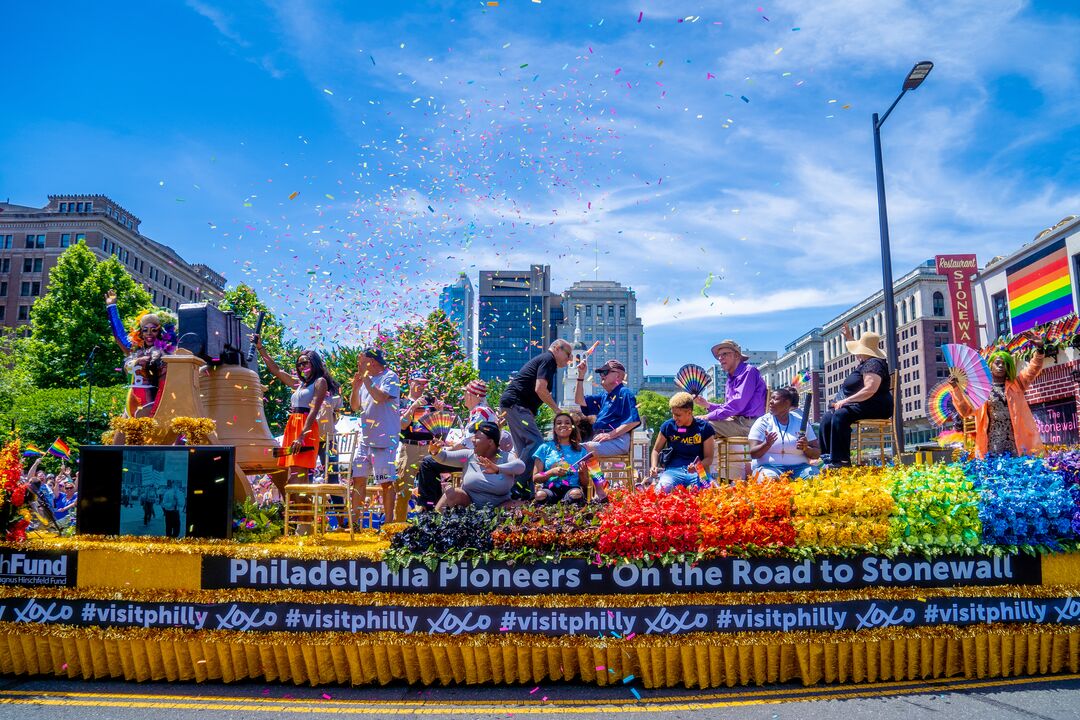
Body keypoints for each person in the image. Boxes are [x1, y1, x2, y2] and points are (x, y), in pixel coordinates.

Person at [414, 379, 511, 510]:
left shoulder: (480, 411)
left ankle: (428, 507)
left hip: (473, 458)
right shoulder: (483, 411)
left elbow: (467, 442)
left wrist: (445, 450)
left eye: (465, 393)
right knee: (431, 461)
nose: (464, 397)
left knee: (428, 462)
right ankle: (433, 504)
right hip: (477, 456)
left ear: (471, 395)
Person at [499, 339, 575, 499]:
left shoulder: (548, 362)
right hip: (517, 405)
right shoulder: (548, 360)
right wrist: (557, 410)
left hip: (514, 406)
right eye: (568, 354)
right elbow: (540, 388)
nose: (569, 360)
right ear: (556, 348)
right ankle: (517, 486)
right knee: (537, 443)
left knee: (526, 450)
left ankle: (525, 491)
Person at [951, 332, 1045, 458]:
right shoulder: (981, 390)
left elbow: (1033, 369)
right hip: (992, 442)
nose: (1001, 366)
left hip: (1017, 441)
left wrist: (1039, 350)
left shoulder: (1017, 384)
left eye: (1005, 364)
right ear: (990, 365)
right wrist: (956, 389)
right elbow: (965, 411)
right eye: (998, 363)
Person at [257, 341, 337, 484]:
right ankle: (302, 506)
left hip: (306, 428)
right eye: (299, 364)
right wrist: (260, 348)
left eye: (305, 363)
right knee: (295, 472)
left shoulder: (320, 382)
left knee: (297, 476)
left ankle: (297, 506)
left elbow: (314, 410)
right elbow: (276, 371)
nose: (301, 367)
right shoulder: (299, 384)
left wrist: (301, 436)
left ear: (314, 363)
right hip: (293, 425)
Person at [818, 324, 892, 468]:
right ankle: (827, 457)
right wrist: (849, 337)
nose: (857, 353)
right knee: (828, 417)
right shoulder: (865, 362)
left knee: (841, 414)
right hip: (862, 404)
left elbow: (870, 389)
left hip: (876, 405)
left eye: (860, 349)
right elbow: (858, 353)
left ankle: (842, 461)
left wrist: (846, 400)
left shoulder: (874, 364)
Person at [349, 348, 403, 524]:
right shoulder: (367, 380)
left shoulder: (390, 377)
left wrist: (364, 378)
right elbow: (355, 407)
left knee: (386, 483)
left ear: (371, 361)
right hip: (365, 440)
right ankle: (355, 523)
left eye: (361, 362)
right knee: (357, 479)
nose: (358, 365)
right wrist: (355, 388)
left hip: (385, 440)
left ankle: (388, 524)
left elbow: (380, 397)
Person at [105, 289, 177, 418]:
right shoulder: (134, 350)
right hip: (131, 403)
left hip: (152, 405)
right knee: (121, 436)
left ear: (160, 333)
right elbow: (119, 335)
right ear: (141, 333)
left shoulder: (165, 354)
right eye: (145, 330)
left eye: (154, 330)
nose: (149, 333)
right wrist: (111, 307)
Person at [434, 422, 525, 510]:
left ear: (490, 442)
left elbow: (521, 466)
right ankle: (432, 521)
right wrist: (435, 452)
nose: (472, 440)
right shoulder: (467, 457)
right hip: (469, 507)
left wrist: (497, 469)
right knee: (453, 493)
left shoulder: (505, 457)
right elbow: (444, 457)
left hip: (499, 508)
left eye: (477, 437)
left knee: (521, 505)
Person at [695, 339, 767, 437]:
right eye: (718, 356)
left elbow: (736, 405)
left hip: (749, 425)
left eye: (724, 354)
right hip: (737, 422)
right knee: (694, 424)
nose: (720, 358)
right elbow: (729, 406)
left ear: (737, 355)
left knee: (700, 426)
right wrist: (707, 405)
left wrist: (707, 416)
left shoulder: (748, 371)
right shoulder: (731, 377)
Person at [748, 387, 821, 479]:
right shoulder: (762, 422)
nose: (771, 402)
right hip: (769, 468)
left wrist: (806, 448)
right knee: (769, 480)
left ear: (787, 403)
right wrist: (766, 444)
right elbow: (753, 454)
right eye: (771, 398)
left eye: (775, 399)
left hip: (800, 468)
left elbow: (816, 454)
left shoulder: (801, 422)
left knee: (816, 478)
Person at [575, 359, 641, 458]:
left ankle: (569, 472)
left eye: (605, 372)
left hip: (618, 440)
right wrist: (580, 376)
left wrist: (609, 435)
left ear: (618, 375)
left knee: (579, 449)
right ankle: (593, 474)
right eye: (601, 373)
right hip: (600, 439)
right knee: (570, 447)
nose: (602, 375)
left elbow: (633, 421)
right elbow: (579, 400)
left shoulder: (625, 393)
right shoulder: (604, 396)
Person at [649, 392, 716, 491]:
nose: (674, 418)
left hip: (699, 471)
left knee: (713, 491)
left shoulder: (705, 428)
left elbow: (709, 458)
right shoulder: (668, 426)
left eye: (678, 415)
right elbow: (655, 450)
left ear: (689, 412)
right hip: (672, 470)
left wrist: (697, 467)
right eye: (673, 414)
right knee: (660, 491)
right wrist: (653, 466)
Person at [397, 371, 439, 517]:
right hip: (410, 447)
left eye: (423, 384)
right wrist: (414, 406)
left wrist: (439, 411)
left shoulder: (430, 403)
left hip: (429, 447)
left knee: (430, 489)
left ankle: (429, 522)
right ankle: (398, 525)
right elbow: (402, 425)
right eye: (418, 383)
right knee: (404, 489)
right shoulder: (402, 402)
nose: (421, 386)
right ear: (410, 382)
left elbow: (438, 429)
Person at [533, 412, 590, 504]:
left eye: (567, 423)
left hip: (572, 489)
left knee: (576, 494)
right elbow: (535, 478)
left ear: (572, 427)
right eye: (559, 423)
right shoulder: (544, 448)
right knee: (540, 495)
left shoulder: (581, 450)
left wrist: (582, 474)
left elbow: (585, 483)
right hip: (549, 489)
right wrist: (551, 472)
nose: (563, 425)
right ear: (554, 428)